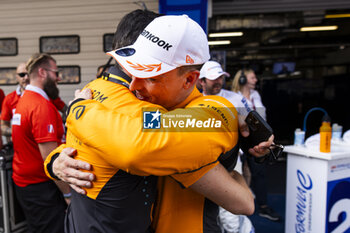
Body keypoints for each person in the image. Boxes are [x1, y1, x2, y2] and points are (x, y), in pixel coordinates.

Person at [46, 14, 273, 233]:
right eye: (133, 72)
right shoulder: (161, 111)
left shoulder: (212, 113)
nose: (133, 86)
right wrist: (55, 161)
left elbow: (138, 141)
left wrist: (78, 110)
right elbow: (125, 129)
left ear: (189, 80)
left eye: (151, 77)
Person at [11, 53, 71, 233]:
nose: (58, 78)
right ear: (43, 72)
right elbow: (52, 160)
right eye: (56, 73)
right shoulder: (40, 106)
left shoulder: (25, 99)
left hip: (27, 184)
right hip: (41, 187)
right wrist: (67, 193)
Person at [231, 68, 281, 222]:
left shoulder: (256, 95)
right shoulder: (233, 97)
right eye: (252, 78)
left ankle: (263, 206)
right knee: (239, 173)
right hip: (240, 140)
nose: (256, 80)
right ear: (242, 80)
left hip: (257, 140)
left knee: (259, 172)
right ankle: (241, 205)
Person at [1, 63, 67, 144]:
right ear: (16, 77)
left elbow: (66, 111)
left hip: (46, 144)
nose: (26, 77)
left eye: (28, 74)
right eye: (22, 75)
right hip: (21, 148)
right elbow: (3, 126)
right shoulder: (9, 99)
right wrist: (18, 131)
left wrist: (62, 126)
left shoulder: (47, 95)